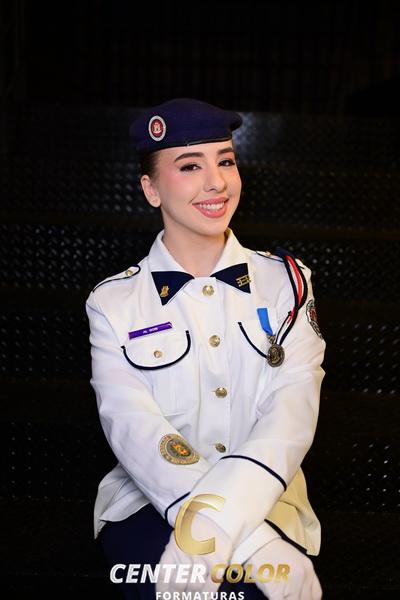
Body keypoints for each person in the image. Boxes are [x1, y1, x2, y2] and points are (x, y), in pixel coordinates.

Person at [85, 98, 326, 599]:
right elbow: (135, 430)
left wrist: (231, 524)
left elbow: (291, 414)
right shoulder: (113, 303)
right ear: (151, 189)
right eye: (190, 166)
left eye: (226, 161)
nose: (216, 182)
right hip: (148, 502)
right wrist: (249, 543)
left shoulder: (288, 283)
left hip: (270, 500)